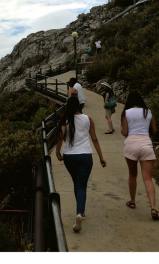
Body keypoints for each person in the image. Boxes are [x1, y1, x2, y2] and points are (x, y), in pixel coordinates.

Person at [55, 97, 107, 233]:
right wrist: (101, 157)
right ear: (79, 105)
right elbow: (94, 139)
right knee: (81, 185)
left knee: (76, 183)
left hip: (70, 157)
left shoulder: (65, 119)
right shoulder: (87, 119)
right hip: (85, 157)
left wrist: (57, 151)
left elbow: (60, 136)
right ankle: (80, 213)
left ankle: (81, 212)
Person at [121, 90, 159, 220]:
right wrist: (147, 137)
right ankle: (153, 207)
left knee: (133, 174)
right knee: (148, 178)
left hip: (131, 144)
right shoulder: (148, 112)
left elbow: (124, 131)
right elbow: (154, 130)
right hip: (146, 144)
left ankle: (132, 201)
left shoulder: (126, 113)